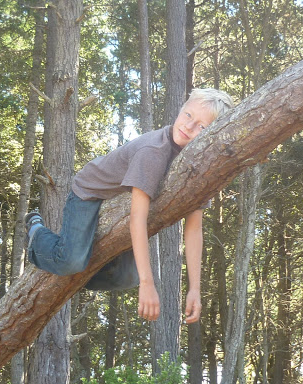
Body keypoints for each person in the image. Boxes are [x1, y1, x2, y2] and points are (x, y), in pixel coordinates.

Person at [25, 88, 234, 323]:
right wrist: (148, 284)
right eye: (188, 115)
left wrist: (194, 288)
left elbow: (194, 229)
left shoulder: (198, 164)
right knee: (71, 260)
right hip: (92, 192)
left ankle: (76, 273)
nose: (189, 126)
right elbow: (138, 218)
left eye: (202, 127)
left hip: (125, 198)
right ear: (180, 110)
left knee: (127, 277)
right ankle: (36, 233)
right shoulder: (153, 152)